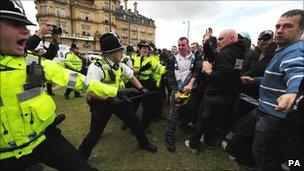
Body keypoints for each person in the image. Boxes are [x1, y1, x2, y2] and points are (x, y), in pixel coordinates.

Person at [0, 0, 119, 170]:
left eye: (25, 24)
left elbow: (78, 80)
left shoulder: (34, 62)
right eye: (14, 23)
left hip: (44, 139)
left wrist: (114, 90)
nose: (25, 30)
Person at [78, 33, 157, 161]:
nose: (122, 53)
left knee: (134, 121)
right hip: (101, 103)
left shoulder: (119, 64)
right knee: (94, 134)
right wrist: (108, 99)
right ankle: (80, 158)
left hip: (118, 100)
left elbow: (131, 76)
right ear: (112, 53)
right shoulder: (95, 67)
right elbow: (89, 91)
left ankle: (144, 144)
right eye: (120, 51)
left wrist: (142, 89)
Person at [242, 9, 304, 170]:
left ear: (301, 30)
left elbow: (296, 71)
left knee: (263, 154)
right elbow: (277, 77)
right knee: (257, 144)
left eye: (287, 26)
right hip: (265, 109)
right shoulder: (282, 49)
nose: (279, 30)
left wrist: (292, 92)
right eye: (278, 26)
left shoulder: (295, 51)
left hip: (274, 116)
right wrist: (255, 80)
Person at [185, 29, 246, 154]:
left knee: (202, 120)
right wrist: (206, 43)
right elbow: (231, 71)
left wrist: (209, 71)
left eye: (221, 39)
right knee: (213, 120)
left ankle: (193, 144)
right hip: (226, 96)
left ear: (232, 39)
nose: (218, 42)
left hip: (215, 95)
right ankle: (209, 141)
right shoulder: (237, 52)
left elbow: (223, 76)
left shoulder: (226, 53)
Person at [164, 37, 201, 152]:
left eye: (183, 45)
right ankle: (168, 136)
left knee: (192, 110)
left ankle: (184, 124)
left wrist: (190, 84)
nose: (180, 47)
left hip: (190, 90)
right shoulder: (172, 58)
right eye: (179, 45)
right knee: (174, 113)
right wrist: (175, 90)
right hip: (178, 90)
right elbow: (169, 75)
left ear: (188, 45)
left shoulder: (194, 57)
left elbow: (197, 70)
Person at [25, 24, 61, 96]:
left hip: (43, 61)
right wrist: (40, 33)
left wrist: (53, 36)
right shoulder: (32, 46)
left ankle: (48, 91)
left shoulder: (49, 46)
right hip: (35, 64)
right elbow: (27, 46)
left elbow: (51, 53)